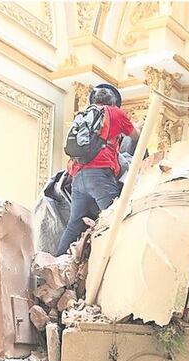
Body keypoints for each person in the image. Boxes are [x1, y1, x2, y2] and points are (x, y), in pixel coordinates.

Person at [54, 84, 140, 256]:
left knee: (73, 225)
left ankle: (56, 263)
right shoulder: (115, 113)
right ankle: (116, 262)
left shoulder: (84, 116)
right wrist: (137, 126)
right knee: (115, 219)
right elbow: (136, 137)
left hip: (78, 177)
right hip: (100, 176)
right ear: (114, 103)